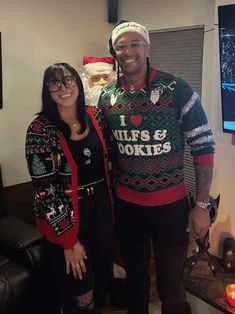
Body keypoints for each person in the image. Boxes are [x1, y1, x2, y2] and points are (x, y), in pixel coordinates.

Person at [98, 20, 216, 314]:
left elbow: (204, 146)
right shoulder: (106, 97)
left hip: (171, 209)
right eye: (120, 45)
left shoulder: (176, 88)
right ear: (114, 51)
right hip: (127, 210)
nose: (128, 51)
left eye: (135, 43)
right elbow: (103, 150)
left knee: (171, 285)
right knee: (135, 282)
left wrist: (201, 204)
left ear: (147, 47)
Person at [25, 62, 114, 314]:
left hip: (101, 210)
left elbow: (111, 163)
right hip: (67, 216)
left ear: (78, 82)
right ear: (47, 90)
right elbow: (45, 190)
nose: (63, 87)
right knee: (80, 295)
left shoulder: (95, 116)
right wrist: (68, 241)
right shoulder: (39, 130)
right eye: (55, 82)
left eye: (69, 80)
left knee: (100, 282)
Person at [81, 56, 127, 309]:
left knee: (120, 239)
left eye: (104, 78)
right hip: (93, 192)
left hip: (121, 185)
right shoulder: (80, 116)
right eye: (94, 78)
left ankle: (120, 287)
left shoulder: (119, 107)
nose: (99, 83)